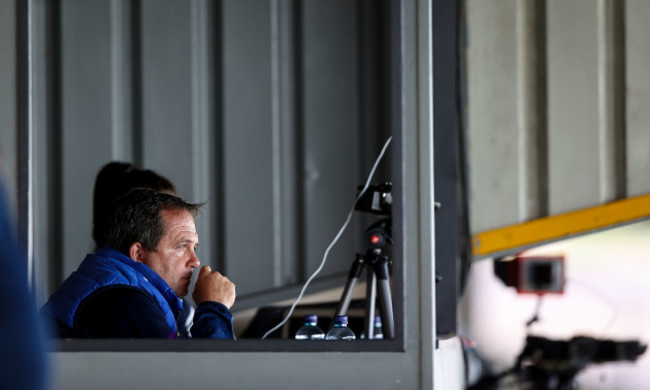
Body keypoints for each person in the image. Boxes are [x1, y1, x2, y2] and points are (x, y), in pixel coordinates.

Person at [41, 188, 236, 338]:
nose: (195, 261)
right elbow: (199, 377)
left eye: (194, 248)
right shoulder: (121, 300)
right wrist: (214, 308)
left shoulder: (116, 285)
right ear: (138, 254)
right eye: (180, 247)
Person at [91, 161, 194, 336]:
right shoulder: (125, 300)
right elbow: (195, 361)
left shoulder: (166, 300)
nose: (195, 261)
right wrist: (215, 308)